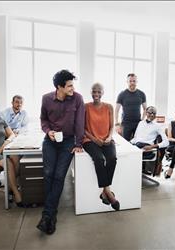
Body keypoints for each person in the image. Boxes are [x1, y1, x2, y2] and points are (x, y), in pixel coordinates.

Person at [37, 69, 85, 235]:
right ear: (59, 87)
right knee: (49, 173)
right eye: (69, 86)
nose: (73, 88)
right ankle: (51, 214)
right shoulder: (46, 99)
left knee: (59, 176)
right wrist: (47, 131)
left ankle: (48, 215)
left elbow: (80, 122)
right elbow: (43, 119)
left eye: (73, 85)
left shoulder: (77, 98)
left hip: (68, 141)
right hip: (51, 140)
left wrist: (78, 142)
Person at [82, 83, 119, 211]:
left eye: (99, 92)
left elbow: (112, 126)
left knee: (112, 159)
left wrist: (109, 137)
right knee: (99, 159)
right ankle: (108, 191)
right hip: (89, 140)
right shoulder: (85, 107)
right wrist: (94, 139)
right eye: (94, 91)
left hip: (106, 139)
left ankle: (104, 191)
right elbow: (82, 128)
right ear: (91, 92)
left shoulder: (109, 107)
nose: (96, 94)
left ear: (103, 92)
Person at [131, 106, 169, 175]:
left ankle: (134, 175)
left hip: (147, 148)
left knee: (130, 156)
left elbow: (166, 142)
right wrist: (128, 144)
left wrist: (152, 147)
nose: (152, 115)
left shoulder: (158, 126)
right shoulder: (140, 123)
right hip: (136, 146)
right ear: (146, 113)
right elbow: (135, 138)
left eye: (154, 113)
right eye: (150, 112)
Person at [115, 73, 147, 141]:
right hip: (125, 124)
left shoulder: (141, 94)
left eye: (134, 81)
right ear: (127, 82)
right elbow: (116, 110)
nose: (132, 83)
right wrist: (117, 124)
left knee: (137, 143)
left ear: (136, 82)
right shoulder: (122, 94)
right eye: (130, 81)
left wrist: (142, 120)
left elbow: (145, 109)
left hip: (138, 124)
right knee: (125, 144)